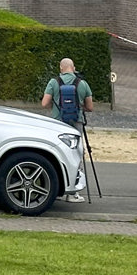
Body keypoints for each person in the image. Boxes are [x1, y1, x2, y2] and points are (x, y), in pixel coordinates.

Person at [41, 57, 93, 203]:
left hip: (58, 123)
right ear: (73, 67)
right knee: (76, 154)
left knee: (56, 153)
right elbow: (90, 107)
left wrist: (56, 105)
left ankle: (55, 187)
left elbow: (44, 103)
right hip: (76, 123)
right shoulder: (82, 83)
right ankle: (73, 193)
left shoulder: (54, 82)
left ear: (61, 68)